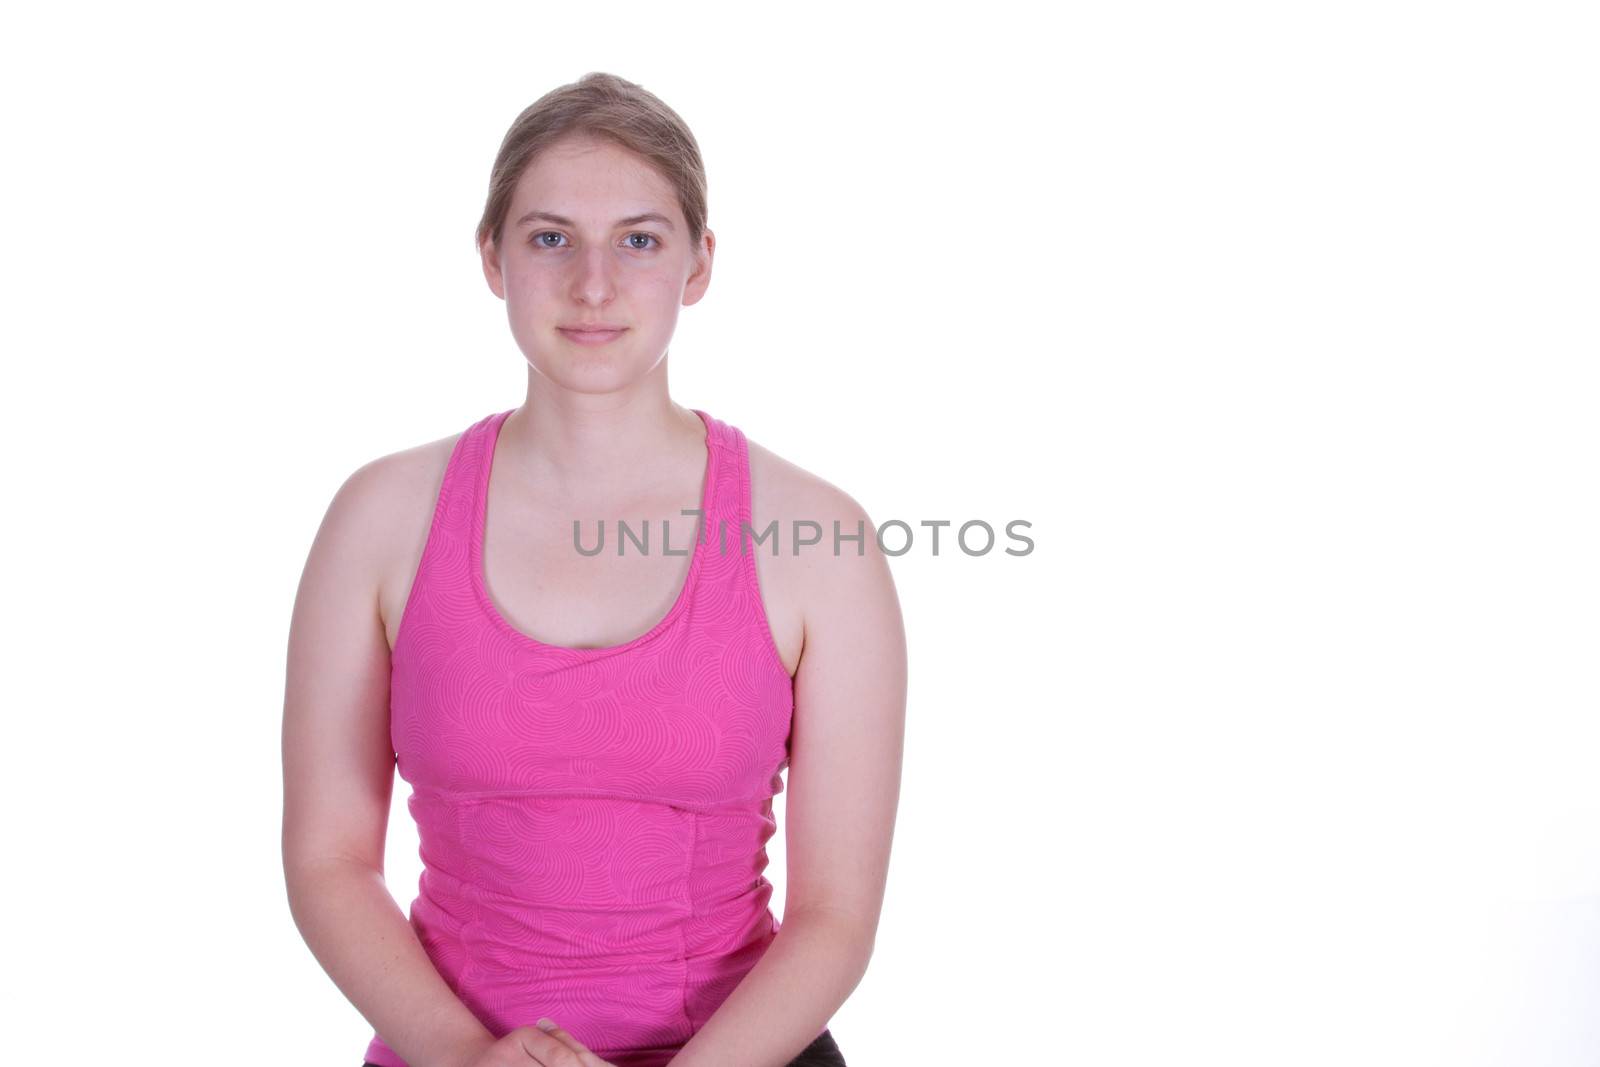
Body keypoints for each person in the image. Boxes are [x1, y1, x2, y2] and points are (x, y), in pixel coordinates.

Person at [281, 72, 907, 1067]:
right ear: (491, 257)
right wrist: (462, 1053)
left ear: (700, 264)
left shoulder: (818, 535)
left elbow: (835, 914)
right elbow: (327, 859)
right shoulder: (379, 517)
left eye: (640, 239)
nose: (594, 283)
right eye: (549, 237)